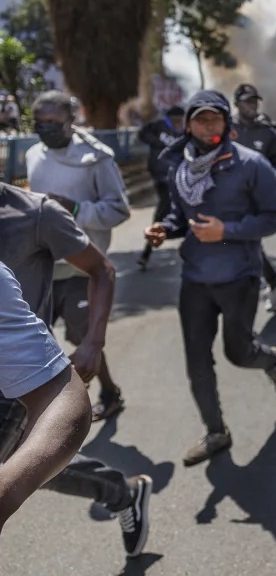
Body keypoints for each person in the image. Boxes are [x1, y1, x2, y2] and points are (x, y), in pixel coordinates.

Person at [0, 182, 153, 556]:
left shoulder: (37, 212)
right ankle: (124, 492)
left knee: (20, 462)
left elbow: (101, 269)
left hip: (23, 373)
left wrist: (93, 344)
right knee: (25, 462)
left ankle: (121, 492)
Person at [144, 90, 276, 466]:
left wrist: (226, 229)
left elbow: (274, 217)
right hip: (195, 277)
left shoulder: (251, 164)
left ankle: (271, 361)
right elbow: (182, 216)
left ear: (227, 122)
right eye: (200, 119)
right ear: (188, 124)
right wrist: (165, 227)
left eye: (215, 118)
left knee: (238, 353)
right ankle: (216, 432)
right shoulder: (181, 166)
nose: (208, 126)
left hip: (239, 276)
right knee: (196, 359)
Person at [28, 90, 130, 422]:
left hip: (82, 265)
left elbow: (118, 210)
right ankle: (44, 407)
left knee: (82, 337)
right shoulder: (32, 155)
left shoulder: (97, 158)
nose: (44, 128)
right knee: (36, 336)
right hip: (42, 264)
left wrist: (72, 208)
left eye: (52, 122)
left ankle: (109, 392)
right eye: (38, 122)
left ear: (71, 120)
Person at [0, 261, 94, 535]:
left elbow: (58, 390)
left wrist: (94, 341)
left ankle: (120, 492)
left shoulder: (41, 216)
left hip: (19, 380)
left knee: (30, 463)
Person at [230, 84, 276, 311]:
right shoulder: (226, 128)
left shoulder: (267, 132)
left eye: (255, 101)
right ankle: (273, 282)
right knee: (244, 243)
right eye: (247, 102)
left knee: (245, 242)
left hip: (254, 200)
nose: (252, 106)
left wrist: (267, 179)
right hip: (227, 197)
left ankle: (244, 308)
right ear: (237, 104)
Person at [136, 105, 185, 270]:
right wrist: (157, 143)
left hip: (180, 177)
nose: (178, 123)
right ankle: (147, 251)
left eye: (180, 120)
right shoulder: (158, 126)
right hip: (161, 176)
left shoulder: (186, 131)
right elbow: (142, 134)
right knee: (164, 208)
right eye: (175, 120)